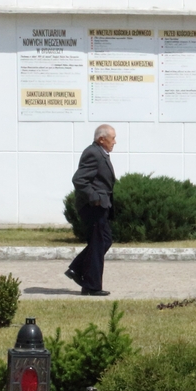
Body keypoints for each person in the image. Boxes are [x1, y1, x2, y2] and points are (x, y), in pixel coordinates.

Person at [66, 124, 117, 297]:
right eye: (112, 138)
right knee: (99, 242)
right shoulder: (93, 153)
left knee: (104, 241)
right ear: (101, 139)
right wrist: (94, 197)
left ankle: (77, 269)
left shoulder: (100, 153)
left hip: (101, 206)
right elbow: (79, 179)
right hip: (93, 207)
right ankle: (92, 285)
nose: (115, 142)